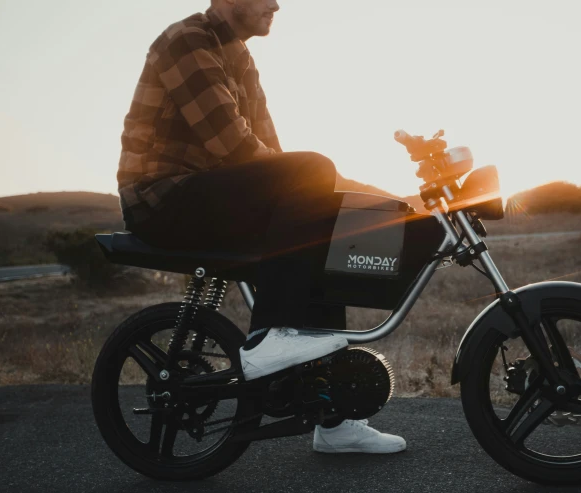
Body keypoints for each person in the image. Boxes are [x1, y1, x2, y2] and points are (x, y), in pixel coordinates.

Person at [116, 0, 405, 454]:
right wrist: (314, 175)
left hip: (209, 197)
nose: (276, 4)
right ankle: (270, 335)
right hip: (162, 198)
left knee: (319, 227)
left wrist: (375, 196)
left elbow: (274, 159)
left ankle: (334, 421)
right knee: (312, 170)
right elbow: (234, 146)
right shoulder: (187, 40)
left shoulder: (241, 59)